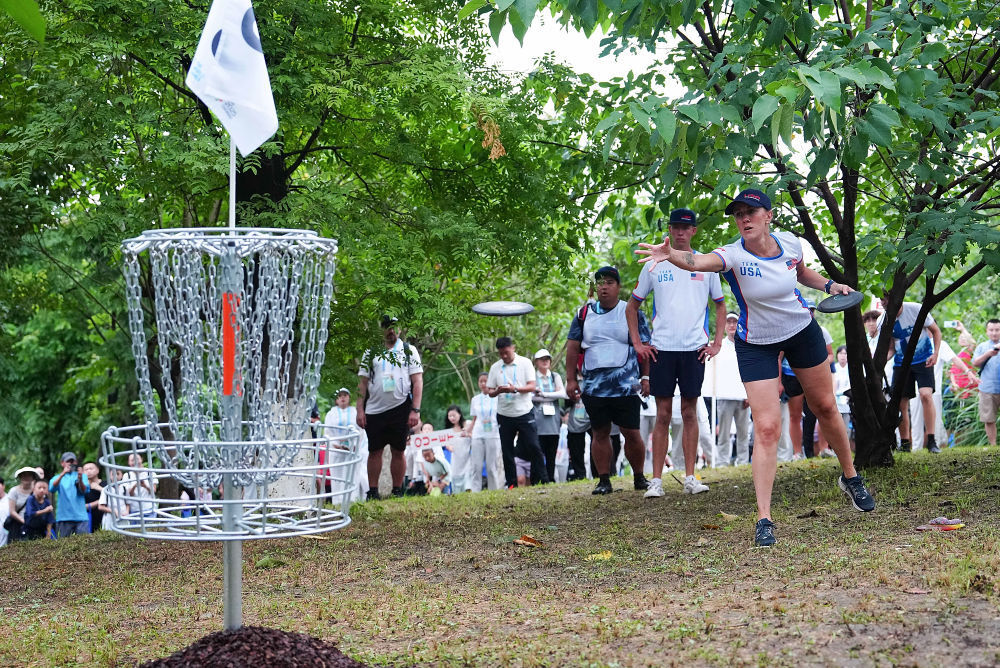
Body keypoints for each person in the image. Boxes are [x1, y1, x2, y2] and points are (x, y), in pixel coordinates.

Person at [637, 187, 875, 546]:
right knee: (766, 427)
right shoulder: (732, 254)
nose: (744, 218)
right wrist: (670, 253)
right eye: (738, 214)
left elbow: (801, 273)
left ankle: (850, 476)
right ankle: (764, 518)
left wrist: (829, 284)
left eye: (751, 211)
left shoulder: (792, 243)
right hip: (757, 344)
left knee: (825, 406)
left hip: (800, 331)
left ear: (769, 215)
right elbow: (698, 262)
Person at [627, 208, 725, 498]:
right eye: (675, 227)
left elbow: (720, 305)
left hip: (694, 349)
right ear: (669, 230)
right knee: (663, 414)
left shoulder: (705, 264)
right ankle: (655, 480)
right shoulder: (654, 264)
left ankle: (691, 476)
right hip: (662, 350)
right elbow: (632, 306)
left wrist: (717, 343)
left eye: (686, 227)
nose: (680, 232)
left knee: (690, 412)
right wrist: (638, 344)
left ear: (694, 231)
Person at [565, 266, 651, 495]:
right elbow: (572, 347)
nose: (604, 287)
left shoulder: (631, 311)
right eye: (600, 283)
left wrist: (646, 377)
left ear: (618, 287)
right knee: (599, 432)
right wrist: (570, 380)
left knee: (631, 432)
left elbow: (644, 346)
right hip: (594, 386)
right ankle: (604, 480)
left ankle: (639, 477)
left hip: (626, 385)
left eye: (609, 283)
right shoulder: (584, 313)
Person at [357, 315, 424, 500]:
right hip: (374, 409)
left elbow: (417, 381)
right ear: (381, 329)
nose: (390, 330)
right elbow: (362, 383)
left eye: (394, 326)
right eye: (386, 326)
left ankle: (397, 489)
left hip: (400, 406)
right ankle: (372, 491)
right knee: (374, 450)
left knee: (399, 449)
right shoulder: (370, 352)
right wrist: (360, 410)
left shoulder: (409, 351)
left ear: (400, 328)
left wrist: (415, 410)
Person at [881, 300, 942, 452]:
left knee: (926, 395)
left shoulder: (915, 309)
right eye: (881, 300)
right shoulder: (885, 318)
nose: (883, 303)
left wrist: (935, 354)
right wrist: (878, 363)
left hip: (923, 360)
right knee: (899, 402)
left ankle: (932, 441)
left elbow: (936, 331)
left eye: (886, 299)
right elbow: (891, 349)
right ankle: (905, 443)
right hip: (901, 364)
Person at [487, 336, 549, 487]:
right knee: (507, 450)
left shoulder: (525, 363)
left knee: (534, 445)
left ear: (513, 348)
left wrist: (514, 389)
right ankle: (512, 483)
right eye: (501, 353)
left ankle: (542, 480)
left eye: (506, 352)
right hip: (504, 414)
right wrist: (498, 391)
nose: (504, 356)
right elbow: (489, 391)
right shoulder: (495, 367)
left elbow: (532, 386)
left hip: (524, 411)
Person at [708, 312, 751, 466]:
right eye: (729, 322)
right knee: (724, 433)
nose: (732, 325)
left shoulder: (745, 344)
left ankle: (743, 462)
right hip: (724, 395)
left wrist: (749, 394)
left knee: (743, 433)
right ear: (725, 326)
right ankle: (722, 463)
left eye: (734, 321)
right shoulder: (718, 346)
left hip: (743, 396)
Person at [323, 387, 368, 502]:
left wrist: (354, 444)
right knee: (337, 476)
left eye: (345, 395)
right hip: (336, 450)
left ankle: (353, 499)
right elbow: (327, 432)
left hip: (352, 449)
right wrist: (335, 444)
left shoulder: (354, 412)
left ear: (349, 397)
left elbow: (360, 431)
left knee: (352, 475)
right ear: (336, 399)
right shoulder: (331, 414)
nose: (342, 398)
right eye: (340, 396)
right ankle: (338, 501)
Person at [532, 349, 568, 484]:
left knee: (552, 450)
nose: (545, 361)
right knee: (537, 450)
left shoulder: (555, 376)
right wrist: (552, 393)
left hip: (553, 420)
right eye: (542, 359)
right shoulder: (532, 377)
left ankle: (550, 478)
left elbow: (562, 394)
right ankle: (536, 479)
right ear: (536, 362)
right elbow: (530, 397)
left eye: (547, 359)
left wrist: (544, 395)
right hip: (537, 419)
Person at [467, 372, 503, 491]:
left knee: (491, 466)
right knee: (476, 465)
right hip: (478, 433)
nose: (483, 384)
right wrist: (468, 431)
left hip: (493, 433)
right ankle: (475, 491)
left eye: (485, 381)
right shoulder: (475, 399)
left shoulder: (498, 398)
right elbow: (474, 418)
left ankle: (494, 490)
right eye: (480, 381)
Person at [972, 319, 1000, 447]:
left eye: (997, 330)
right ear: (987, 331)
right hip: (987, 388)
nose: (994, 333)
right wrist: (988, 354)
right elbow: (975, 363)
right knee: (989, 419)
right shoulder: (982, 347)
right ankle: (993, 445)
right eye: (992, 330)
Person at [49, 452, 90, 537]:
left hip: (81, 517)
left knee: (84, 545)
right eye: (68, 461)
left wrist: (80, 479)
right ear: (62, 463)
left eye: (73, 461)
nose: (71, 463)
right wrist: (62, 474)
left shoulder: (82, 476)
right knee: (63, 545)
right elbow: (52, 489)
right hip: (64, 517)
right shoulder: (57, 477)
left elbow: (85, 491)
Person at [6, 467, 39, 543]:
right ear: (20, 477)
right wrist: (24, 521)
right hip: (17, 525)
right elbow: (12, 511)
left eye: (29, 475)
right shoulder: (14, 491)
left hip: (33, 525)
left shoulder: (36, 491)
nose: (26, 477)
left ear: (33, 477)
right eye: (23, 475)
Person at [443, 405, 472, 491]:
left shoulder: (468, 424)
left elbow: (475, 436)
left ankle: (469, 491)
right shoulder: (448, 430)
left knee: (468, 478)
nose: (452, 418)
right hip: (455, 458)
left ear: (459, 414)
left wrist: (467, 434)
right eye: (450, 416)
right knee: (456, 479)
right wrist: (448, 447)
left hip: (468, 457)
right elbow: (446, 443)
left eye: (454, 415)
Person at [122, 453, 157, 519]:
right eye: (132, 460)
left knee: (151, 528)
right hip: (134, 510)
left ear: (142, 459)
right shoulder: (127, 475)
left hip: (149, 509)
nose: (135, 462)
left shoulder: (150, 472)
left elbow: (154, 491)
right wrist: (135, 485)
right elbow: (129, 494)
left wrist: (145, 486)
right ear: (129, 462)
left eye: (137, 459)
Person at [81, 462, 105, 532]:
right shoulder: (81, 488)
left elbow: (112, 498)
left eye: (91, 468)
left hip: (105, 517)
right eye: (86, 469)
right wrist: (98, 502)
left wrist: (100, 488)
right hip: (88, 519)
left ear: (97, 470)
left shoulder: (106, 484)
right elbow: (80, 506)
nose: (88, 471)